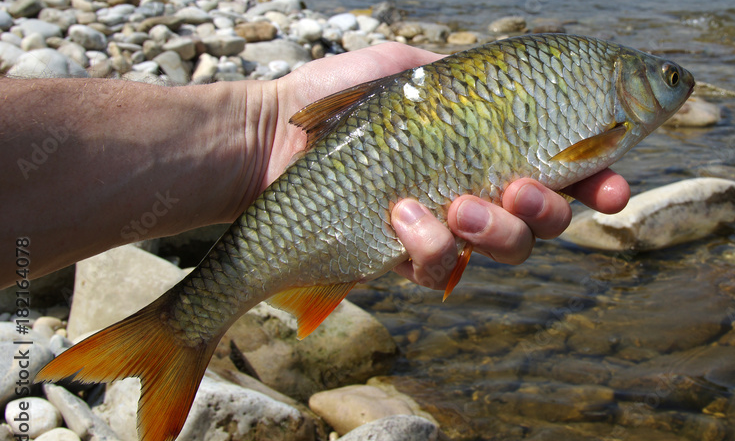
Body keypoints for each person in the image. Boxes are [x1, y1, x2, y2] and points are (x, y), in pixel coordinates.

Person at [0, 41, 630, 291]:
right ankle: (183, 329)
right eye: (669, 80)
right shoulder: (609, 102)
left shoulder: (589, 77)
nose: (679, 88)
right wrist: (270, 121)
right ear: (630, 87)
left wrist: (263, 125)